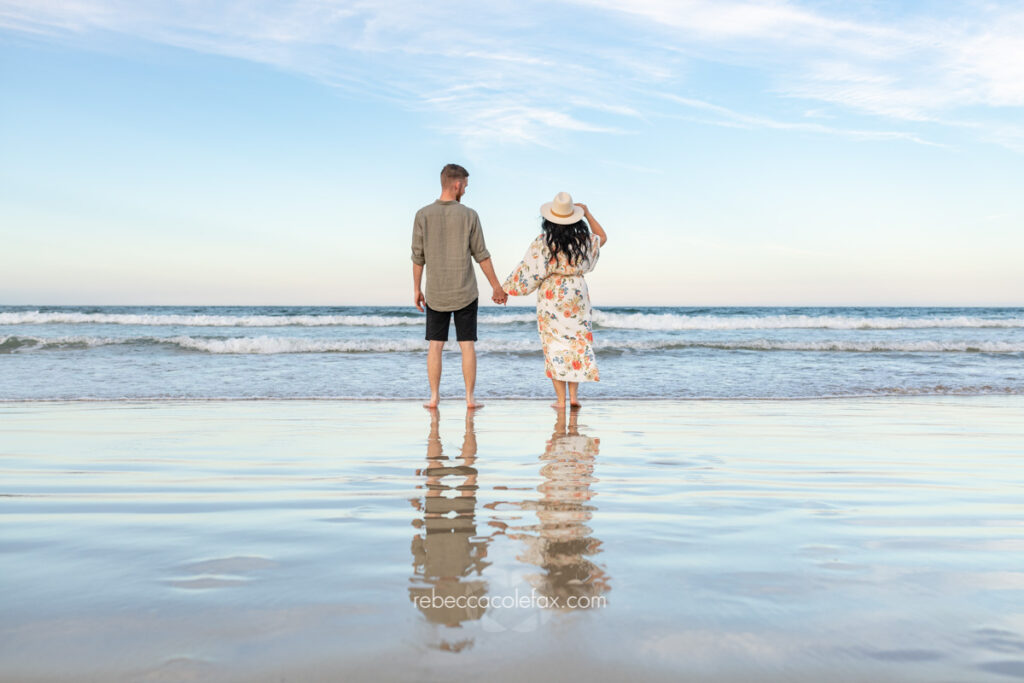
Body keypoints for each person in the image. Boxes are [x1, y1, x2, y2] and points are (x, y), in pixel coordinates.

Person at [411, 163, 507, 409]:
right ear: (457, 184)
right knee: (467, 346)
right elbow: (481, 255)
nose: (465, 188)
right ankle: (469, 399)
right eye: (465, 184)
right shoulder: (469, 215)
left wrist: (416, 289)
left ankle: (433, 398)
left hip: (436, 292)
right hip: (465, 291)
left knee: (435, 346)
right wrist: (496, 287)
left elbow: (417, 257)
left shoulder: (422, 214)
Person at [502, 192, 607, 408]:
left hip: (553, 294)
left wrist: (505, 289)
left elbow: (528, 270)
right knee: (577, 341)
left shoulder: (544, 242)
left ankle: (561, 401)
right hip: (577, 293)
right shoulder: (583, 241)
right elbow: (602, 237)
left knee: (554, 344)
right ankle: (575, 398)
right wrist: (587, 213)